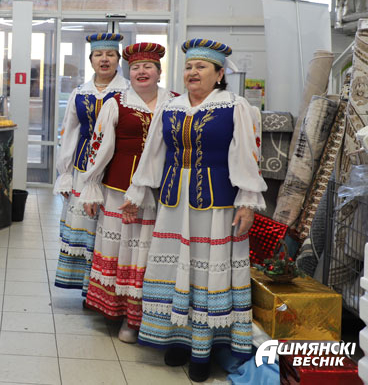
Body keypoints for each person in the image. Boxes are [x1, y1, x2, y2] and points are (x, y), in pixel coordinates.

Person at [120, 39, 265, 382]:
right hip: (174, 203)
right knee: (175, 270)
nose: (192, 73)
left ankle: (204, 348)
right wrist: (137, 192)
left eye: (201, 67)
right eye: (188, 67)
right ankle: (177, 340)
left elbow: (247, 156)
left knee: (206, 271)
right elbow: (153, 153)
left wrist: (247, 202)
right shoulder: (170, 108)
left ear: (219, 74)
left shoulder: (236, 107)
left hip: (216, 204)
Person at [77, 43, 177, 343]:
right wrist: (91, 185)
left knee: (152, 253)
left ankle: (152, 317)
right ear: (128, 73)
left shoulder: (175, 103)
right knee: (123, 251)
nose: (141, 72)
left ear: (159, 72)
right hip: (120, 191)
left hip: (162, 192)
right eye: (135, 68)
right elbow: (99, 147)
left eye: (148, 67)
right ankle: (123, 315)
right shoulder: (116, 103)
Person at [53, 33, 129, 294]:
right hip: (83, 168)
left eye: (110, 54)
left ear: (118, 59)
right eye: (98, 55)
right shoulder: (79, 93)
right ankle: (86, 286)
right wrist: (64, 173)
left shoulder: (128, 92)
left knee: (110, 226)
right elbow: (69, 132)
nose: (104, 59)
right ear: (91, 60)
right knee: (86, 223)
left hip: (116, 168)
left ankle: (105, 289)